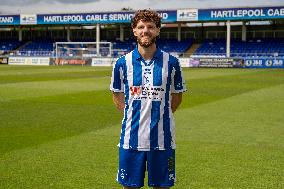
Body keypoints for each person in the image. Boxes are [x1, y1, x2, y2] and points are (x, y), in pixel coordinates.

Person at [110, 9, 186, 189]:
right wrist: (133, 114)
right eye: (141, 27)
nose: (146, 31)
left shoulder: (172, 63)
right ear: (134, 31)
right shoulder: (122, 63)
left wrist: (161, 114)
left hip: (162, 140)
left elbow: (177, 97)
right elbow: (117, 96)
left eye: (150, 27)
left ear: (158, 30)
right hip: (131, 139)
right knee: (129, 186)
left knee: (162, 186)